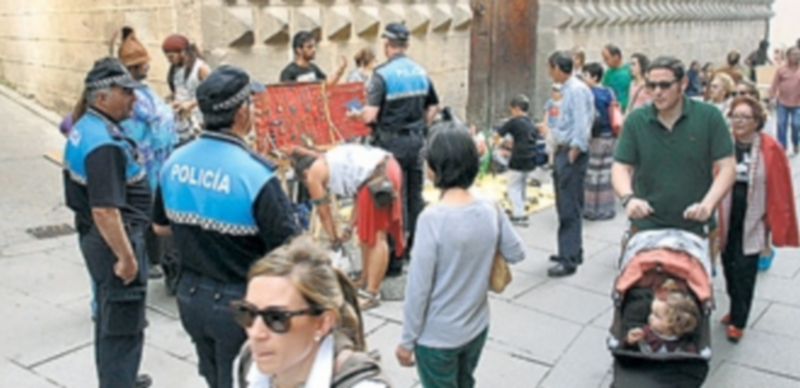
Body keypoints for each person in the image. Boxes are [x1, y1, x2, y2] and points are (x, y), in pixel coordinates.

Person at [152, 66, 300, 388]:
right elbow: (289, 250)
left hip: (189, 296)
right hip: (240, 304)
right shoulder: (255, 175)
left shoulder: (174, 162)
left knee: (214, 377)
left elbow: (160, 228)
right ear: (241, 112)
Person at [395, 124, 525, 387]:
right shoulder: (489, 206)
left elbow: (418, 289)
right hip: (476, 326)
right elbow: (516, 252)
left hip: (438, 337)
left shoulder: (432, 218)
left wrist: (407, 341)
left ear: (436, 167)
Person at [62, 57, 152, 388]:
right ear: (102, 97)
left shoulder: (85, 127)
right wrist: (127, 257)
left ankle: (120, 377)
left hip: (98, 240)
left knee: (109, 317)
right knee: (123, 325)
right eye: (125, 92)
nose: (134, 98)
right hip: (114, 242)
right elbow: (105, 210)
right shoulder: (103, 145)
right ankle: (119, 381)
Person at [231, 237, 390, 388]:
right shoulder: (248, 363)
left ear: (322, 323)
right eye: (247, 313)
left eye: (276, 318)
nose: (256, 333)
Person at [611, 56, 736, 240]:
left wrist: (707, 205)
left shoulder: (709, 117)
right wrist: (628, 198)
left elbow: (727, 167)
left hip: (696, 225)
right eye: (651, 86)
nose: (657, 92)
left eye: (665, 85)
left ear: (683, 83)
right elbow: (620, 166)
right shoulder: (636, 120)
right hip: (646, 224)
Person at [355, 22, 439, 264]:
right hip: (416, 141)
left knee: (391, 199)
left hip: (390, 146)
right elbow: (433, 106)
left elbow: (370, 116)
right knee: (415, 196)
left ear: (386, 44)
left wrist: (356, 115)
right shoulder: (420, 71)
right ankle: (416, 249)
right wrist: (421, 125)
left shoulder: (382, 75)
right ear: (406, 45)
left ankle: (393, 258)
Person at [717, 97, 799, 342]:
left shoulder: (770, 148)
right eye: (735, 116)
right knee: (728, 265)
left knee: (745, 269)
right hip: (726, 214)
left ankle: (739, 320)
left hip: (753, 217)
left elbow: (780, 189)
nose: (739, 122)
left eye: (745, 117)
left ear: (757, 121)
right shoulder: (723, 144)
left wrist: (773, 228)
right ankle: (734, 305)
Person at [289, 144, 404, 310]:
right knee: (366, 232)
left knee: (377, 236)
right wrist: (349, 227)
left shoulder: (313, 174)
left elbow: (323, 211)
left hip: (378, 176)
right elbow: (358, 194)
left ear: (305, 174)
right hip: (382, 169)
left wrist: (333, 238)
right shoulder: (327, 159)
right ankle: (365, 278)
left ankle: (372, 292)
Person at [115, 26, 179, 281]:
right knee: (145, 214)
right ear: (133, 68)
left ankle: (156, 258)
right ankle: (148, 259)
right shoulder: (132, 95)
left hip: (157, 159)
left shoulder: (143, 90)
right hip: (143, 161)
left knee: (156, 213)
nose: (147, 68)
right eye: (143, 64)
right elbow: (152, 119)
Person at [546, 51, 594, 277]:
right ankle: (572, 249)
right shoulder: (568, 90)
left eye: (550, 68)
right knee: (568, 202)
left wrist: (575, 149)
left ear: (557, 68)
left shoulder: (576, 90)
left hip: (571, 153)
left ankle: (569, 258)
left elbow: (582, 122)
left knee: (568, 206)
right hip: (563, 150)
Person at [495, 94, 538, 224]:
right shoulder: (531, 122)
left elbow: (497, 136)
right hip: (531, 157)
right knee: (522, 184)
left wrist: (501, 145)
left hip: (518, 157)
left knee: (513, 186)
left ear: (517, 109)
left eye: (512, 110)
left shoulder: (514, 122)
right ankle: (522, 210)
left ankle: (518, 214)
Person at [625, 280, 700, 354]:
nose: (650, 317)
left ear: (673, 322)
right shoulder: (645, 334)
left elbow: (691, 362)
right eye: (652, 312)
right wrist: (629, 341)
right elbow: (629, 353)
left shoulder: (685, 346)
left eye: (657, 316)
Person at [582, 63, 616, 221]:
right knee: (606, 173)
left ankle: (591, 209)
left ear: (594, 77)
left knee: (592, 174)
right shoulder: (609, 92)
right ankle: (606, 208)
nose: (583, 79)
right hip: (610, 136)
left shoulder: (589, 94)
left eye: (586, 75)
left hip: (595, 137)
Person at [162, 33, 211, 143]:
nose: (169, 60)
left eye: (171, 57)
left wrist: (191, 104)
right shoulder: (175, 70)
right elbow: (178, 91)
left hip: (199, 121)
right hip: (181, 122)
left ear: (183, 53)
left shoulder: (201, 68)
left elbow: (212, 94)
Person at [280, 30, 346, 85]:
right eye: (309, 47)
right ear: (299, 50)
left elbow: (327, 84)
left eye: (314, 46)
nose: (313, 50)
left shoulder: (313, 68)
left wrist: (340, 70)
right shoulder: (288, 72)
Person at [768, 47, 800, 152]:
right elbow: (774, 85)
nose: (796, 56)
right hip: (782, 101)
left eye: (798, 54)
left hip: (797, 103)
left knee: (796, 124)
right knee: (781, 124)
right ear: (788, 56)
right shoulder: (781, 69)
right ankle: (782, 147)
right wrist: (771, 97)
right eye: (794, 54)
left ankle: (796, 142)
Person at [601, 44, 632, 111]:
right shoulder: (608, 73)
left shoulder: (630, 70)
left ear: (616, 57)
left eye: (607, 58)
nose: (605, 61)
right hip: (612, 110)